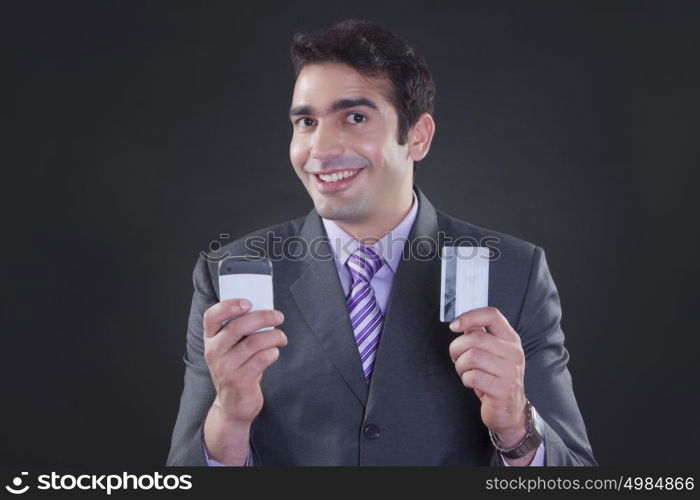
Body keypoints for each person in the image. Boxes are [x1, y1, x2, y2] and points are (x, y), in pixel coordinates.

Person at [166, 19, 596, 466]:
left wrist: (515, 425)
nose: (321, 148)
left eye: (355, 117)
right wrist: (229, 419)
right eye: (307, 121)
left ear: (418, 136)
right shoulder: (226, 276)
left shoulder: (516, 273)